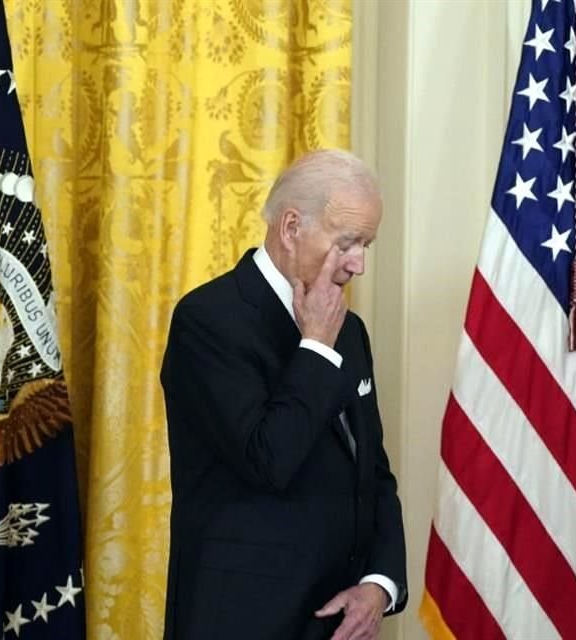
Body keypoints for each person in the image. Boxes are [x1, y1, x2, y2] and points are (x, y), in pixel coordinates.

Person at [161, 149, 407, 640]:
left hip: (335, 623)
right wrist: (314, 347)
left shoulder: (349, 331)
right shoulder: (209, 320)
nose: (358, 263)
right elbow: (268, 459)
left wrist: (380, 584)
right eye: (348, 243)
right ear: (291, 228)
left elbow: (372, 472)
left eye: (367, 245)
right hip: (241, 622)